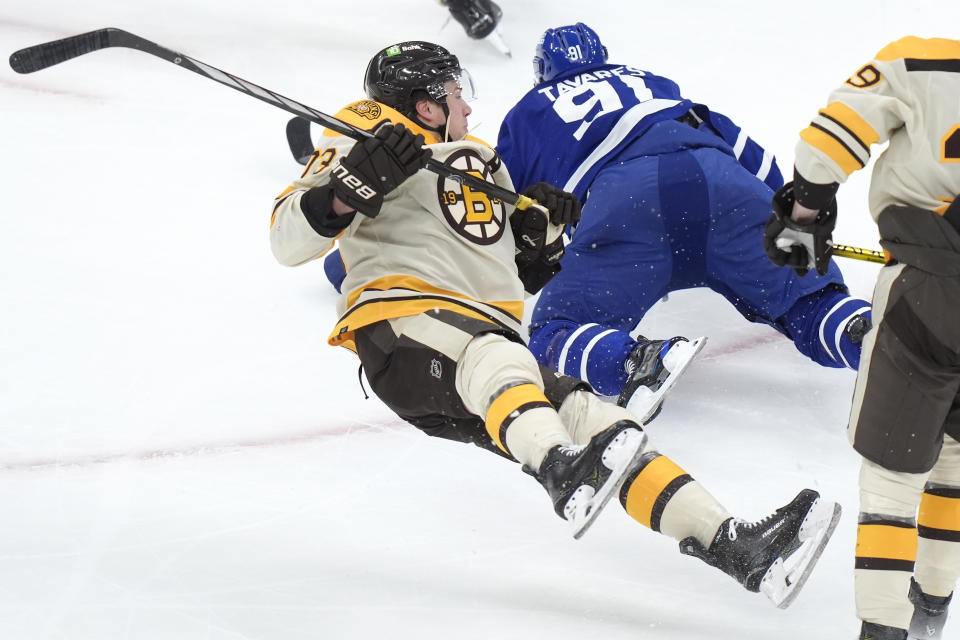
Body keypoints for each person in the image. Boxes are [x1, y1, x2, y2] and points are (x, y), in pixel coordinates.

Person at [269, 39, 841, 610]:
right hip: (404, 327)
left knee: (602, 422)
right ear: (426, 105)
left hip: (479, 354)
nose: (468, 108)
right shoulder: (363, 138)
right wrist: (347, 190)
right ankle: (559, 467)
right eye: (455, 95)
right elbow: (287, 238)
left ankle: (739, 547)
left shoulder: (478, 164)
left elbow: (520, 278)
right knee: (501, 359)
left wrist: (540, 230)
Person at [494, 23, 873, 414]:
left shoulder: (529, 109)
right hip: (720, 181)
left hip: (626, 204)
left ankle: (636, 363)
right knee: (811, 302)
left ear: (542, 70)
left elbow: (499, 202)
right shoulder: (651, 82)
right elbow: (747, 152)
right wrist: (785, 224)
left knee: (554, 331)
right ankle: (868, 337)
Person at [764, 36, 960, 640]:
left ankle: (885, 629)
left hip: (931, 287)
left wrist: (805, 217)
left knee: (894, 470)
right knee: (954, 453)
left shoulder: (927, 60)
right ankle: (932, 607)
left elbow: (828, 144)